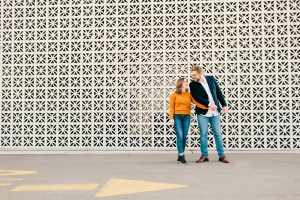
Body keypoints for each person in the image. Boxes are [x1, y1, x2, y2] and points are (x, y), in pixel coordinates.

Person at [189, 65, 230, 163]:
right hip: (202, 113)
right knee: (203, 134)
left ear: (200, 73)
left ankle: (221, 156)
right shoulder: (192, 85)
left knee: (218, 134)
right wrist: (208, 104)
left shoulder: (211, 79)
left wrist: (224, 105)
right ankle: (204, 156)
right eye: (192, 75)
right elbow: (197, 97)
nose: (192, 77)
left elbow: (219, 92)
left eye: (194, 75)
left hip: (215, 112)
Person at [169, 77, 207, 164]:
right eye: (185, 82)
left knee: (184, 136)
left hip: (186, 117)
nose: (187, 83)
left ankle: (180, 155)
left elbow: (196, 102)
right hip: (177, 117)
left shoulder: (188, 94)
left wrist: (207, 106)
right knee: (180, 136)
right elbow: (171, 107)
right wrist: (171, 118)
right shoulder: (174, 95)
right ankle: (182, 156)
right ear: (181, 84)